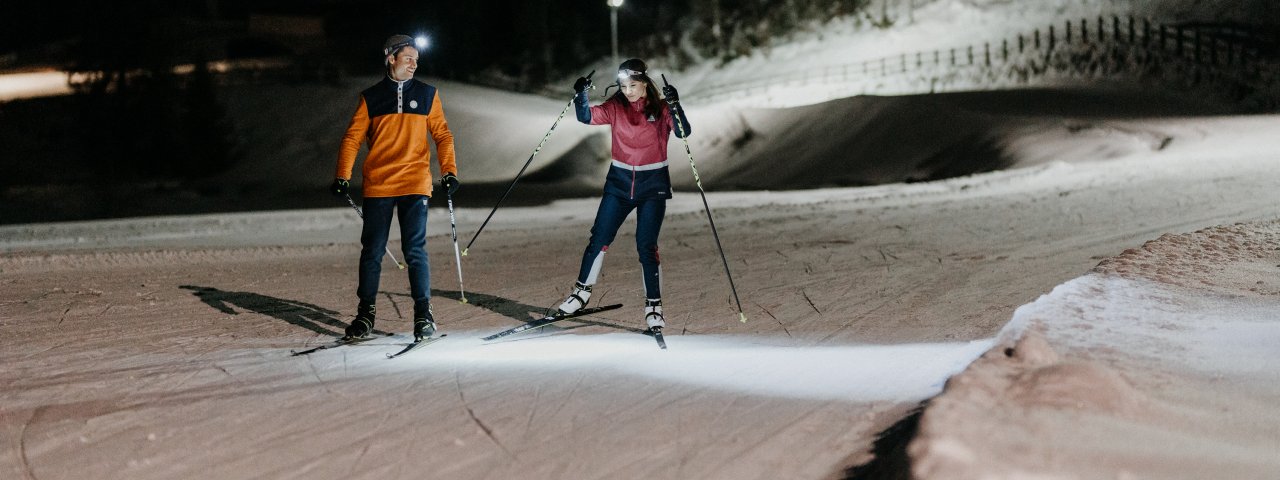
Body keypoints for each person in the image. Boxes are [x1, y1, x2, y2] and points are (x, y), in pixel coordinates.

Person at [330, 34, 460, 342]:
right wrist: (342, 176)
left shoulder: (428, 94)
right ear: (391, 58)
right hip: (379, 184)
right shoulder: (371, 97)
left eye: (417, 59)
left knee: (415, 249)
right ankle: (365, 314)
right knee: (372, 250)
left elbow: (443, 135)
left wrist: (449, 171)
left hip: (415, 182)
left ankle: (423, 314)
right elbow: (352, 138)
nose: (415, 64)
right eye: (408, 58)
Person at [556, 58, 690, 333]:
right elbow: (586, 117)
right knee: (599, 238)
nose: (627, 91)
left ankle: (654, 306)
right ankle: (581, 293)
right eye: (623, 86)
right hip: (618, 185)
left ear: (644, 83)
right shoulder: (615, 107)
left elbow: (683, 131)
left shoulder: (660, 108)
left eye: (632, 85)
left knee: (646, 245)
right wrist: (580, 94)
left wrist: (675, 105)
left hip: (652, 186)